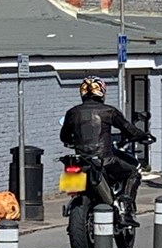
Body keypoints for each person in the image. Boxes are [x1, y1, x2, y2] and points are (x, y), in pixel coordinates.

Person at [59, 76, 154, 227]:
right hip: (104, 159)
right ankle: (125, 211)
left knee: (73, 180)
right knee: (133, 172)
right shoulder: (108, 111)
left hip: (80, 159)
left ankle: (80, 201)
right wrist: (143, 135)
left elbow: (64, 136)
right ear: (102, 92)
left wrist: (73, 141)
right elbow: (128, 129)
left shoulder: (72, 112)